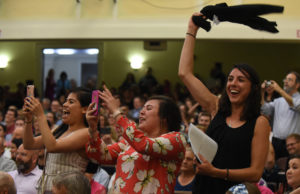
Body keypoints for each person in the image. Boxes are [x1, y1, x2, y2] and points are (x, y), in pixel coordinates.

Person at [178, 13, 270, 194]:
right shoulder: (216, 107)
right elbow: (184, 74)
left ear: (253, 88)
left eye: (241, 80)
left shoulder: (260, 123)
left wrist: (217, 172)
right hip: (204, 189)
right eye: (230, 79)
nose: (233, 84)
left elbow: (255, 173)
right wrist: (191, 30)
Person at [86, 85, 187, 194]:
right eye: (142, 108)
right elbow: (99, 155)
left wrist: (116, 111)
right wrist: (93, 128)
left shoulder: (176, 139)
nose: (141, 112)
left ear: (165, 118)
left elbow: (143, 145)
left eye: (148, 108)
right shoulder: (128, 142)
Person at [23, 87, 91, 193]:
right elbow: (29, 144)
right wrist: (28, 120)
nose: (64, 104)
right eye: (66, 101)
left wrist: (41, 115)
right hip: (47, 188)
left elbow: (52, 147)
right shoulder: (58, 130)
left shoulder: (86, 133)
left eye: (71, 102)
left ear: (85, 109)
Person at [261, 71, 300, 159]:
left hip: (293, 144)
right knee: (276, 170)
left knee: (292, 167)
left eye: (289, 80)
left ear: (297, 85)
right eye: (285, 79)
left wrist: (279, 90)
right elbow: (265, 110)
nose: (286, 81)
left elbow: (294, 104)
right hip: (276, 142)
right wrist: (262, 92)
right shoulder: (278, 101)